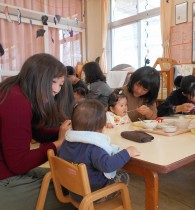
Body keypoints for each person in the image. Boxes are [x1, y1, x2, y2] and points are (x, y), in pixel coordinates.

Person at [0, 53, 73, 210]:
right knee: (75, 193)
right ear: (36, 77)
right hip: (5, 178)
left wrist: (61, 132)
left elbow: (33, 131)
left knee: (68, 178)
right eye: (52, 82)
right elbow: (19, 163)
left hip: (9, 169)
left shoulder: (14, 89)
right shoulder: (16, 102)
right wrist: (57, 144)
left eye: (60, 84)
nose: (56, 90)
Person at [58, 99, 140, 202]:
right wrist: (127, 152)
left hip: (72, 189)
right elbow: (108, 165)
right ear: (102, 129)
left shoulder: (67, 141)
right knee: (123, 176)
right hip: (90, 195)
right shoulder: (94, 148)